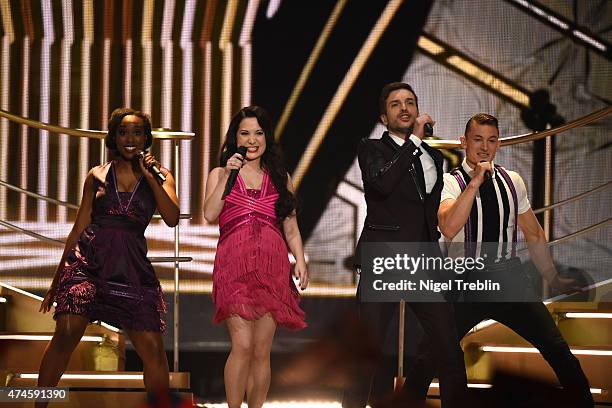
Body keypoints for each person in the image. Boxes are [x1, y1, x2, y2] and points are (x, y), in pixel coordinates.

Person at [406, 113, 594, 407]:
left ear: (498, 145)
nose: (484, 147)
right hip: (465, 282)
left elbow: (533, 232)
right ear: (463, 142)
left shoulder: (512, 181)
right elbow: (448, 226)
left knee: (557, 349)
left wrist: (553, 277)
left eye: (492, 140)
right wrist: (475, 182)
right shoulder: (450, 182)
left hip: (508, 280)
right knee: (428, 357)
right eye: (478, 139)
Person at [37, 108, 180, 407]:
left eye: (137, 132)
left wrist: (150, 176)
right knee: (65, 333)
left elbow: (171, 217)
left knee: (153, 351)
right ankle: (40, 404)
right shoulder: (97, 175)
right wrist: (56, 281)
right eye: (124, 132)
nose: (130, 138)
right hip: (89, 264)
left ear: (146, 138)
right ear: (114, 137)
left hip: (131, 270)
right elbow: (79, 227)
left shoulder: (161, 175)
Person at [344, 82, 467, 407]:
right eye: (396, 104)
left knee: (448, 349)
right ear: (384, 117)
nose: (405, 108)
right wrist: (414, 141)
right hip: (384, 260)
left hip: (422, 263)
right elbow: (382, 184)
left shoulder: (434, 156)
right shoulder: (371, 148)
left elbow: (429, 210)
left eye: (410, 102)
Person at [203, 105, 308, 408]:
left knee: (262, 351)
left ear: (267, 138)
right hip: (234, 266)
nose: (252, 140)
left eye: (258, 133)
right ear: (234, 138)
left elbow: (291, 228)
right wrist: (229, 174)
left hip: (272, 267)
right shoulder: (220, 174)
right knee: (243, 345)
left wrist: (299, 259)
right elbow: (210, 214)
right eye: (244, 133)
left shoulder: (280, 177)